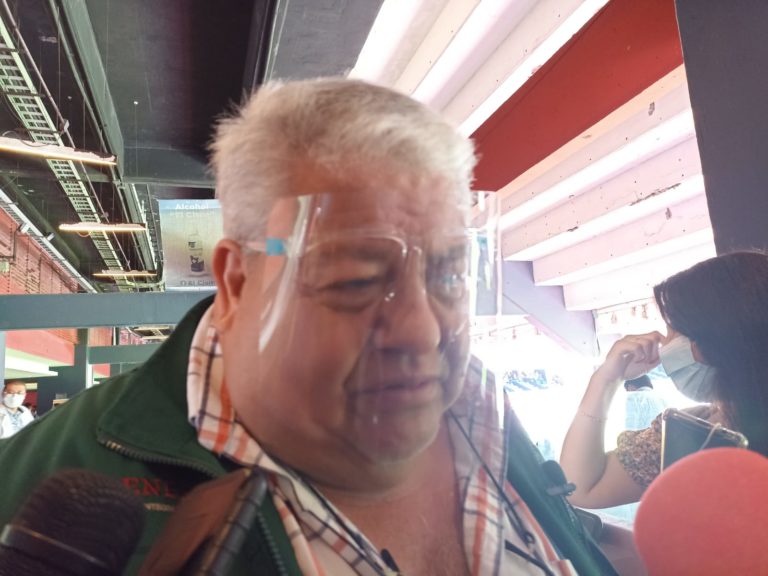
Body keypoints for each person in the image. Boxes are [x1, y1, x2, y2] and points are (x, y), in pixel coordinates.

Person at [0, 79, 615, 575]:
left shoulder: (485, 413)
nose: (422, 331)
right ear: (238, 280)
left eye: (450, 274)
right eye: (355, 279)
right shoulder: (31, 495)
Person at [560, 251, 768, 510]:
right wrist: (606, 379)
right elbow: (580, 488)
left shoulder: (689, 435)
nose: (663, 343)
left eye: (672, 331)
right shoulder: (685, 432)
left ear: (715, 342)